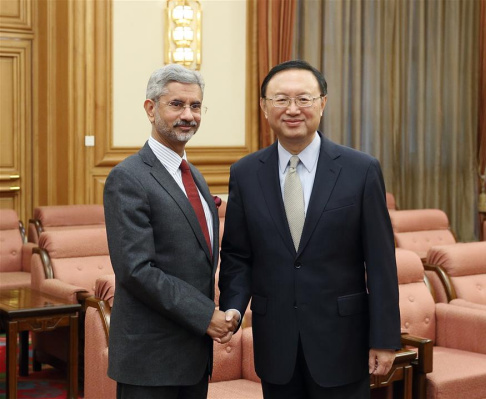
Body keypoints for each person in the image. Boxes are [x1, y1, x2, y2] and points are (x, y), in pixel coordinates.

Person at [218, 60, 401, 399]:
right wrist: (231, 306)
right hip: (276, 345)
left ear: (323, 103)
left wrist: (385, 339)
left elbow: (380, 263)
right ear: (263, 106)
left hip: (342, 342)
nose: (292, 109)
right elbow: (238, 255)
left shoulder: (361, 170)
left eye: (303, 99)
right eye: (280, 100)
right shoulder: (244, 173)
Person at [104, 63, 237, 399]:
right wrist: (206, 315)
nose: (188, 115)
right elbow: (136, 270)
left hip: (192, 355)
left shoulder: (196, 177)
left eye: (195, 106)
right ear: (151, 109)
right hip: (150, 360)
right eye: (176, 104)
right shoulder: (128, 177)